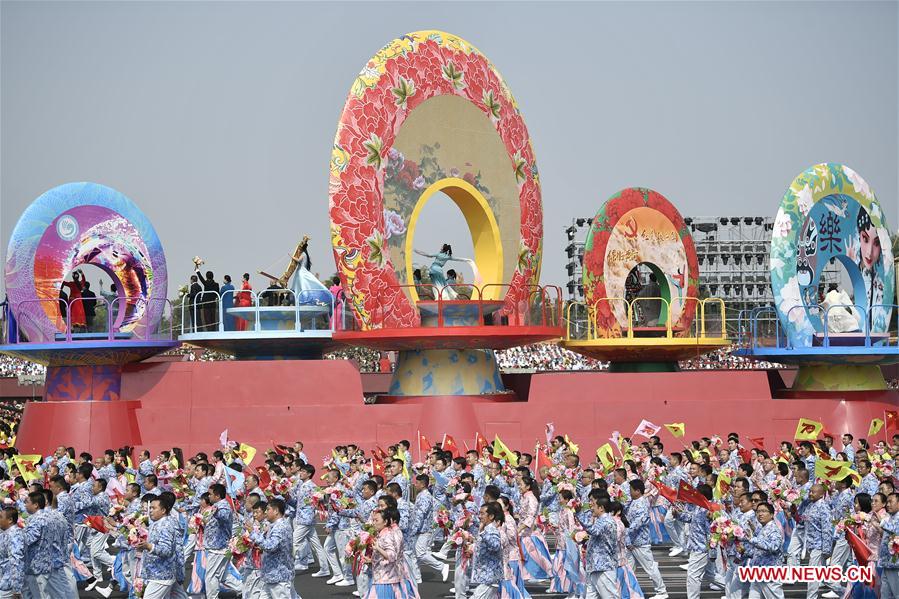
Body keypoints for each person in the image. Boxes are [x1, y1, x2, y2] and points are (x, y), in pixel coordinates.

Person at [365, 506, 417, 598]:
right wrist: (370, 560)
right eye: (373, 520)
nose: (373, 523)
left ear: (385, 522)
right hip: (381, 577)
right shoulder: (381, 534)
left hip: (385, 580)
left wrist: (378, 549)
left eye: (376, 520)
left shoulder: (387, 535)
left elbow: (392, 556)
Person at [248, 497, 294, 599]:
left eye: (268, 509)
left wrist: (254, 534)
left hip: (278, 577)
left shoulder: (280, 527)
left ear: (276, 511)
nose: (265, 512)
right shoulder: (275, 525)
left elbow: (270, 546)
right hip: (271, 575)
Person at [470, 502, 504, 599]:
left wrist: (483, 535)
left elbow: (496, 546)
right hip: (486, 575)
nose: (480, 516)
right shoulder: (486, 529)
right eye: (479, 513)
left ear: (491, 516)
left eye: (482, 513)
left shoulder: (491, 530)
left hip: (489, 576)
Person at [0, 505, 24, 599]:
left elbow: (16, 561)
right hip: (5, 579)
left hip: (10, 582)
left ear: (10, 520)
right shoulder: (6, 533)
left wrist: (16, 589)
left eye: (1, 517)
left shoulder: (15, 535)